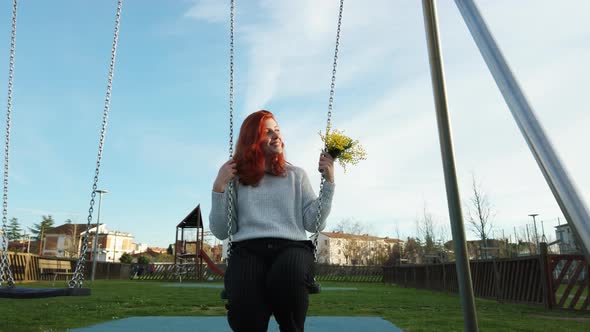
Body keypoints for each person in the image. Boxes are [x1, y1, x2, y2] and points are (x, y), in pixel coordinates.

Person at [209, 110, 335, 332]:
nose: (276, 136)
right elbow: (221, 230)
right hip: (248, 249)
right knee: (246, 306)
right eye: (267, 132)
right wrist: (219, 186)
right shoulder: (236, 178)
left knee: (287, 277)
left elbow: (313, 224)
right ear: (251, 139)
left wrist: (329, 182)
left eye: (277, 130)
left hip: (292, 247)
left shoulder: (297, 175)